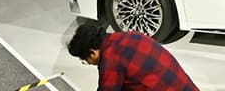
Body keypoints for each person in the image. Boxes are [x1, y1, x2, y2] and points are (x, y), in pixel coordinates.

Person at [67, 21, 199, 91]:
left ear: (92, 52)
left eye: (86, 60)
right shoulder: (130, 36)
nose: (89, 63)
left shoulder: (111, 59)